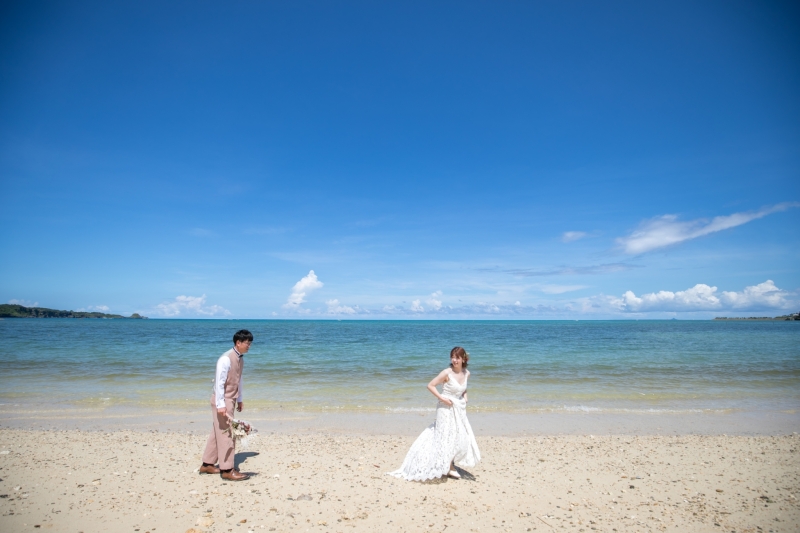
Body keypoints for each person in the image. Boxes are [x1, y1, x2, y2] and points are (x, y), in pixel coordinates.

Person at [388, 346, 481, 481]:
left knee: (457, 434)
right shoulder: (446, 373)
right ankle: (449, 466)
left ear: (463, 359)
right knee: (445, 434)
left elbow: (463, 388)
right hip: (445, 408)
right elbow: (430, 385)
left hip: (458, 408)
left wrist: (465, 397)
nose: (454, 360)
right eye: (452, 357)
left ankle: (448, 462)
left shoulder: (467, 373)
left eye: (457, 358)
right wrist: (442, 398)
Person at [199, 329, 253, 481]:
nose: (249, 346)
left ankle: (207, 464)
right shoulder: (226, 358)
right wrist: (221, 404)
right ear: (238, 342)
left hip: (230, 399)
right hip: (222, 400)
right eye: (247, 343)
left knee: (218, 431)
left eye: (250, 343)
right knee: (228, 434)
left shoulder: (240, 359)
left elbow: (238, 380)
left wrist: (240, 399)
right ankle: (227, 470)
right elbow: (219, 382)